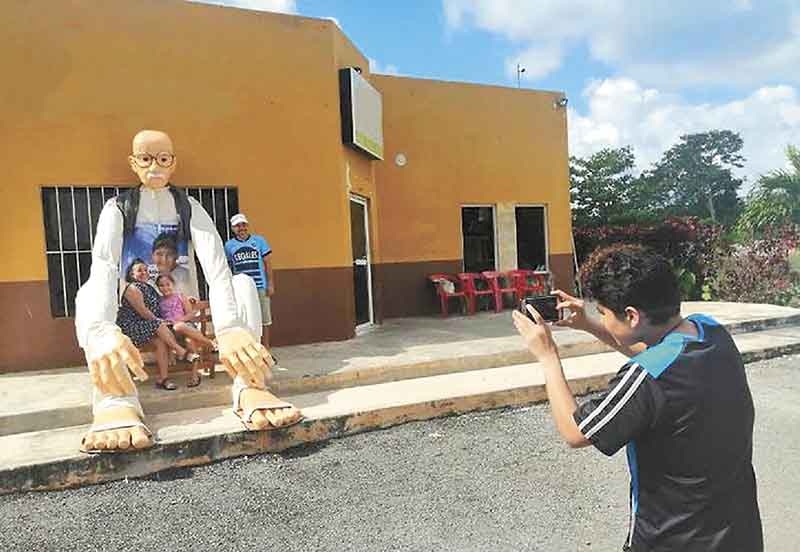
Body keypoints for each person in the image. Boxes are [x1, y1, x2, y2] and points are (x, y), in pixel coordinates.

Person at [512, 244, 762, 551]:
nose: (602, 320)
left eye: (603, 313)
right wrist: (589, 324)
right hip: (738, 533)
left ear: (631, 315)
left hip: (674, 539)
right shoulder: (710, 332)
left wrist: (547, 356)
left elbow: (576, 432)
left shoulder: (644, 377)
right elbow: (660, 356)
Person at [75, 130, 301, 454]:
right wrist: (101, 329)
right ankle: (115, 401)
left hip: (182, 312)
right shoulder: (117, 208)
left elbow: (217, 267)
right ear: (133, 163)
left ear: (173, 163)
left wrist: (231, 328)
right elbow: (103, 267)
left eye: (163, 158)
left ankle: (250, 386)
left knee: (243, 284)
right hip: (131, 316)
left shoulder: (188, 206)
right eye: (146, 158)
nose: (155, 165)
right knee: (86, 295)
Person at [117, 259, 199, 391]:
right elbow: (144, 312)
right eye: (139, 270)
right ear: (132, 274)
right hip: (132, 327)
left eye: (145, 270)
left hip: (147, 326)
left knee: (160, 341)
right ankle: (180, 351)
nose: (144, 273)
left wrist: (187, 299)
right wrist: (159, 321)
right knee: (159, 325)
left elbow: (164, 300)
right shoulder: (132, 288)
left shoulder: (149, 288)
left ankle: (163, 379)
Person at [156, 273, 216, 387]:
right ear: (158, 287)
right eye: (161, 285)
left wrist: (179, 321)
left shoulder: (180, 296)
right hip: (171, 332)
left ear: (173, 284)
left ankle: (194, 374)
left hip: (186, 327)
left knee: (185, 335)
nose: (165, 288)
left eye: (168, 284)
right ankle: (209, 343)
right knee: (175, 333)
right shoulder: (159, 301)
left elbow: (191, 314)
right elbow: (159, 319)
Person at [224, 213, 275, 349]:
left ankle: (266, 348)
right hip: (242, 289)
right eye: (237, 226)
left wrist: (270, 284)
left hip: (259, 285)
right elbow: (228, 266)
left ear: (247, 226)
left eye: (243, 225)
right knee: (246, 317)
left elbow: (267, 263)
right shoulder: (229, 245)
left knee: (265, 319)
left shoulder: (259, 241)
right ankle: (251, 347)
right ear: (233, 228)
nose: (241, 228)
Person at [151, 231, 195, 297]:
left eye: (169, 254)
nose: (164, 260)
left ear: (176, 256)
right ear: (152, 256)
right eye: (159, 254)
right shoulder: (148, 277)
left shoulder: (187, 277)